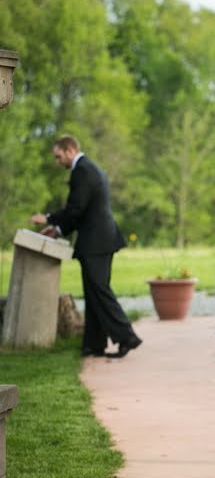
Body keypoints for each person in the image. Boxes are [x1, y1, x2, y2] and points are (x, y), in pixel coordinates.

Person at [30, 135, 142, 358]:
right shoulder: (88, 168)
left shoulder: (82, 170)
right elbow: (83, 211)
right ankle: (93, 345)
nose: (57, 161)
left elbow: (76, 209)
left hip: (96, 243)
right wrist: (59, 230)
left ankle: (127, 337)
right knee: (93, 293)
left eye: (58, 156)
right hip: (99, 241)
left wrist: (50, 218)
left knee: (99, 291)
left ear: (70, 150)